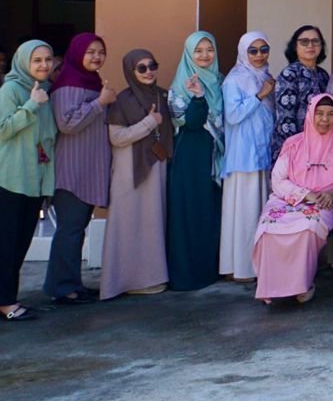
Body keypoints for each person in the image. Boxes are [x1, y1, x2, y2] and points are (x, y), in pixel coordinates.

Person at [252, 94, 333, 304]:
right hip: (287, 200)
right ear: (310, 114)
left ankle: (302, 285)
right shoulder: (293, 143)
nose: (325, 119)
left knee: (308, 227)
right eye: (319, 114)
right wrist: (304, 194)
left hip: (325, 203)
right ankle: (271, 286)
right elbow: (278, 180)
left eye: (330, 114)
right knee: (268, 227)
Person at [46, 33, 114, 305]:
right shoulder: (67, 85)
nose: (96, 56)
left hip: (87, 171)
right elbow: (67, 123)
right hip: (72, 172)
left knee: (76, 230)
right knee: (70, 230)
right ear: (76, 54)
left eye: (100, 51)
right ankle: (62, 288)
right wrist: (100, 103)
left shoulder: (92, 82)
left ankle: (71, 284)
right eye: (90, 52)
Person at [101, 49, 171, 299]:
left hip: (156, 166)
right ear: (131, 71)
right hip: (129, 169)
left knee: (152, 222)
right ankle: (125, 280)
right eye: (141, 68)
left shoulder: (162, 95)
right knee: (129, 223)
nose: (148, 71)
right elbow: (117, 138)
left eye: (152, 65)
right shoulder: (122, 100)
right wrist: (149, 123)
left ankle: (152, 277)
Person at [1, 41, 55, 321]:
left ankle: (7, 298)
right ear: (23, 62)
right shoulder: (11, 89)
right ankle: (6, 303)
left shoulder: (45, 89)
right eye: (37, 60)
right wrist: (31, 104)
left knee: (20, 243)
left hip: (34, 179)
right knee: (7, 243)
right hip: (10, 178)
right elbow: (2, 129)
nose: (44, 65)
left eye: (48, 59)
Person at [166, 31, 223, 292]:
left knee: (208, 210)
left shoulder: (220, 81)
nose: (204, 55)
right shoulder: (180, 84)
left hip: (213, 155)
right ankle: (185, 276)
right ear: (189, 53)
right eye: (198, 50)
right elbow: (190, 123)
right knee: (187, 212)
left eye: (209, 49)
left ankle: (207, 270)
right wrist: (198, 97)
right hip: (189, 157)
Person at [220, 32, 275, 281]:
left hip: (261, 151)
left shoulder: (265, 76)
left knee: (260, 210)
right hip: (244, 156)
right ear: (243, 52)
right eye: (253, 51)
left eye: (264, 49)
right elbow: (233, 115)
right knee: (245, 212)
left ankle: (261, 264)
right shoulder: (234, 79)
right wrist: (260, 95)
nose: (259, 55)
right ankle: (242, 267)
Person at [272, 25, 328, 163]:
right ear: (295, 46)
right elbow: (286, 118)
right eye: (304, 42)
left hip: (321, 146)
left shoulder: (323, 75)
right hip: (295, 151)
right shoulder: (289, 74)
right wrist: (297, 151)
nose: (310, 45)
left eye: (315, 41)